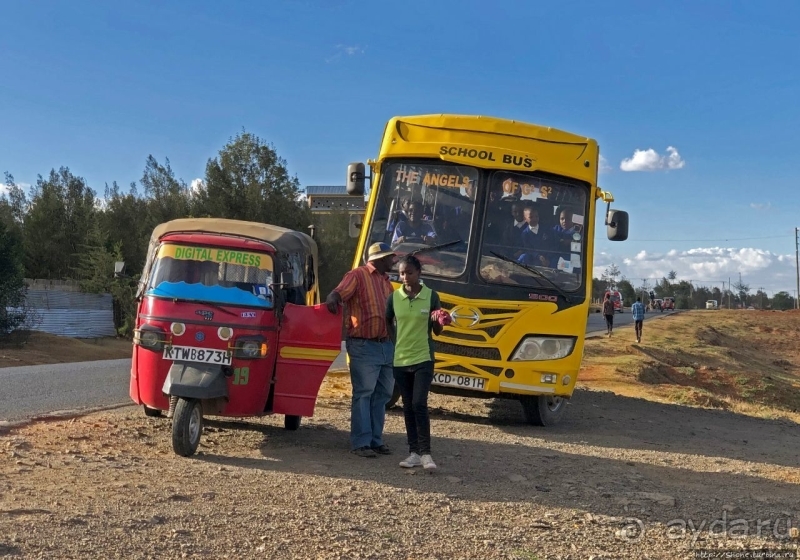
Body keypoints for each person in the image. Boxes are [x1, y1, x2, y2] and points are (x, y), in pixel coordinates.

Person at [326, 242, 397, 458]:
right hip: (364, 344)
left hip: (385, 345)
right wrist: (332, 299)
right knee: (364, 393)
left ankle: (376, 440)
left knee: (383, 394)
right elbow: (338, 293)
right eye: (390, 258)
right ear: (379, 259)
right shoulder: (357, 275)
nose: (393, 261)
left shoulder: (387, 283)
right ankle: (361, 442)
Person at [386, 254, 450, 471]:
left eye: (409, 273)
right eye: (402, 273)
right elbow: (387, 320)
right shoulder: (394, 297)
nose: (405, 277)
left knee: (418, 404)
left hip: (423, 358)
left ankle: (426, 454)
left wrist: (440, 321)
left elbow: (438, 331)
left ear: (419, 273)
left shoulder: (431, 296)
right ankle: (413, 453)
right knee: (407, 407)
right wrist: (395, 342)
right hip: (401, 360)